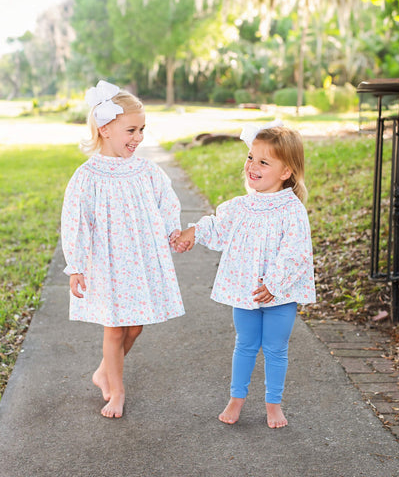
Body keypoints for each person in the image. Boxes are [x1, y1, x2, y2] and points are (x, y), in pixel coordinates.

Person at [172, 120, 315, 428]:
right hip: (246, 291)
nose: (253, 165)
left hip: (280, 295)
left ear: (285, 171)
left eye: (264, 161)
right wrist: (192, 233)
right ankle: (236, 398)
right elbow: (216, 225)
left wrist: (274, 284)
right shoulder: (240, 207)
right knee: (245, 343)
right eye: (251, 157)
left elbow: (296, 253)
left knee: (276, 348)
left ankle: (273, 404)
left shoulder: (292, 210)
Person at [61, 80, 185, 419]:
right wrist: (76, 265)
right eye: (131, 129)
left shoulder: (146, 170)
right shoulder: (88, 176)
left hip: (139, 260)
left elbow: (166, 201)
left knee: (136, 326)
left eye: (142, 129)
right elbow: (76, 220)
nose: (139, 137)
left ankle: (103, 371)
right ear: (105, 129)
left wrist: (173, 229)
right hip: (106, 262)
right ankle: (116, 390)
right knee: (114, 327)